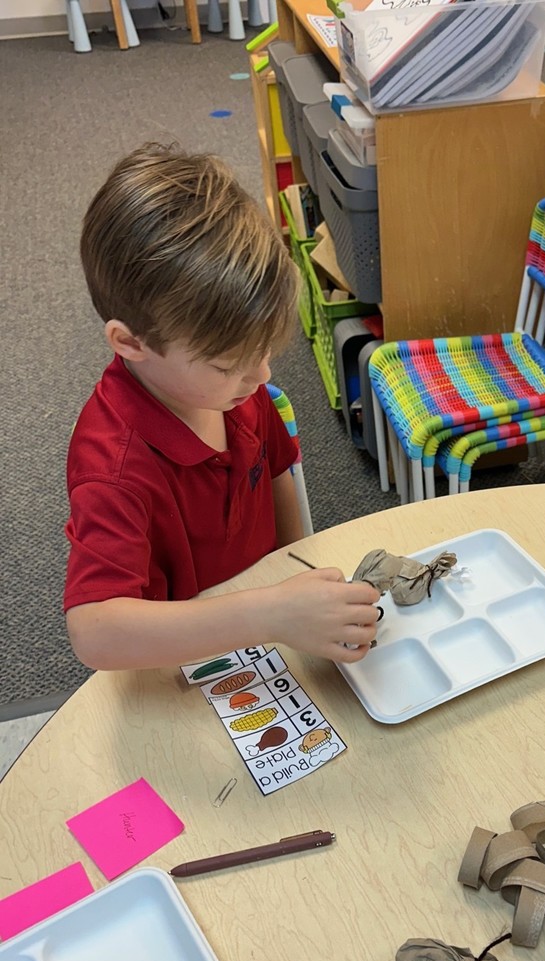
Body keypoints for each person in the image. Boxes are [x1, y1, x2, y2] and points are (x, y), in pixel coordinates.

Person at [64, 142, 379, 672]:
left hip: (262, 636)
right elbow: (95, 633)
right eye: (226, 362)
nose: (262, 375)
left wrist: (292, 586)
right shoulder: (112, 468)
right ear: (130, 343)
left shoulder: (237, 394)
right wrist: (271, 612)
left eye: (263, 351)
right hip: (178, 665)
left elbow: (278, 474)